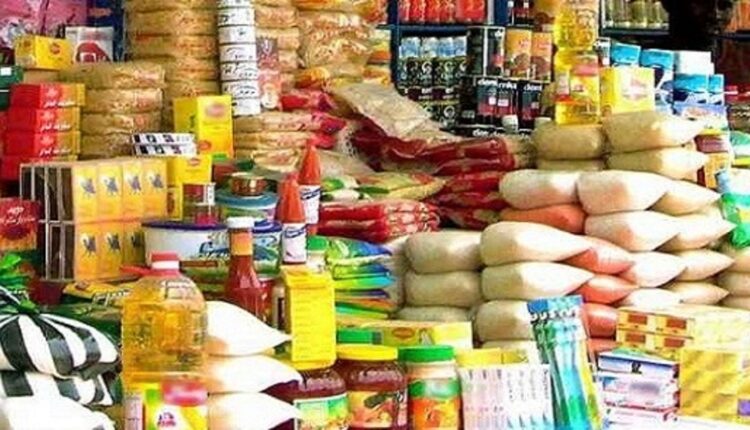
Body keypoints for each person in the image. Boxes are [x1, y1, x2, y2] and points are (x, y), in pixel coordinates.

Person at [660, 0, 738, 50]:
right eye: (704, 3)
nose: (716, 15)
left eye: (724, 6)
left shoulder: (742, 60)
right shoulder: (654, 61)